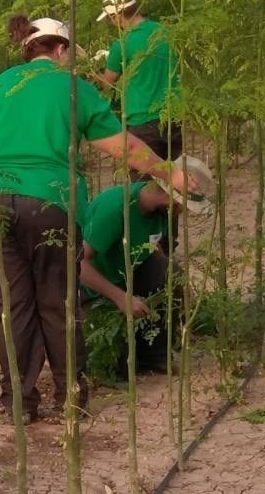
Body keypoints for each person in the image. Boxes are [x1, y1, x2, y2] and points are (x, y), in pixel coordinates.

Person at [0, 14, 188, 421]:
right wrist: (168, 171)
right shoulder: (74, 89)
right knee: (58, 302)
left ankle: (19, 403)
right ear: (60, 50)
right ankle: (71, 397)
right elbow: (121, 146)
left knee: (8, 306)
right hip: (50, 203)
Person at [79, 156, 215, 376]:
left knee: (168, 271)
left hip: (129, 281)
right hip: (93, 290)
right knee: (117, 370)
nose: (185, 211)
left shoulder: (160, 213)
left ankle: (156, 356)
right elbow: (79, 264)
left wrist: (176, 285)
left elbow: (154, 251)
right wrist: (120, 297)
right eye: (185, 205)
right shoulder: (116, 207)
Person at [95, 0, 183, 163]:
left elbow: (107, 84)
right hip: (173, 117)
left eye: (111, 18)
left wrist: (92, 72)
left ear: (117, 16)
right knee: (174, 177)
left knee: (144, 184)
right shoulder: (166, 32)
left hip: (141, 120)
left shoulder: (121, 44)